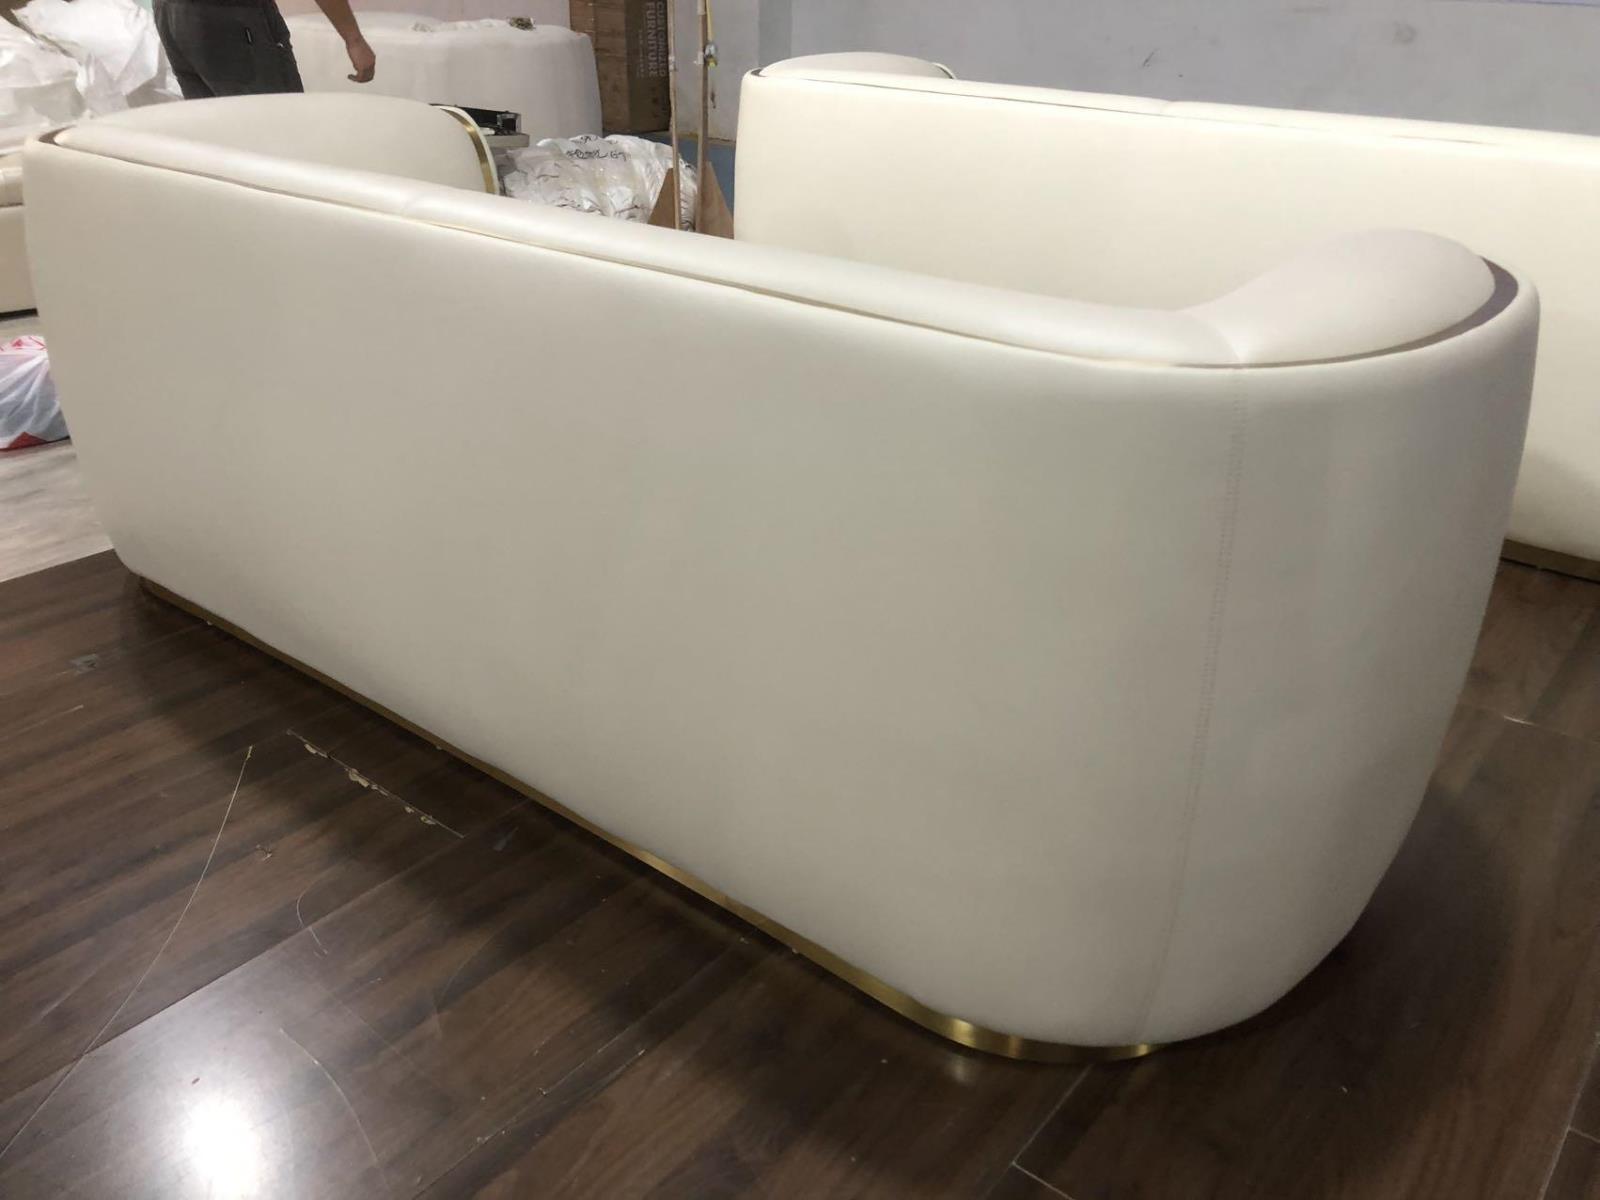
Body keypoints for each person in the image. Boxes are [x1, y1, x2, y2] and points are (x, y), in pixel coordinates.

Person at [153, 0, 375, 99]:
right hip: (230, 18)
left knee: (215, 134)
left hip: (171, 15)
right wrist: (353, 39)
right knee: (279, 128)